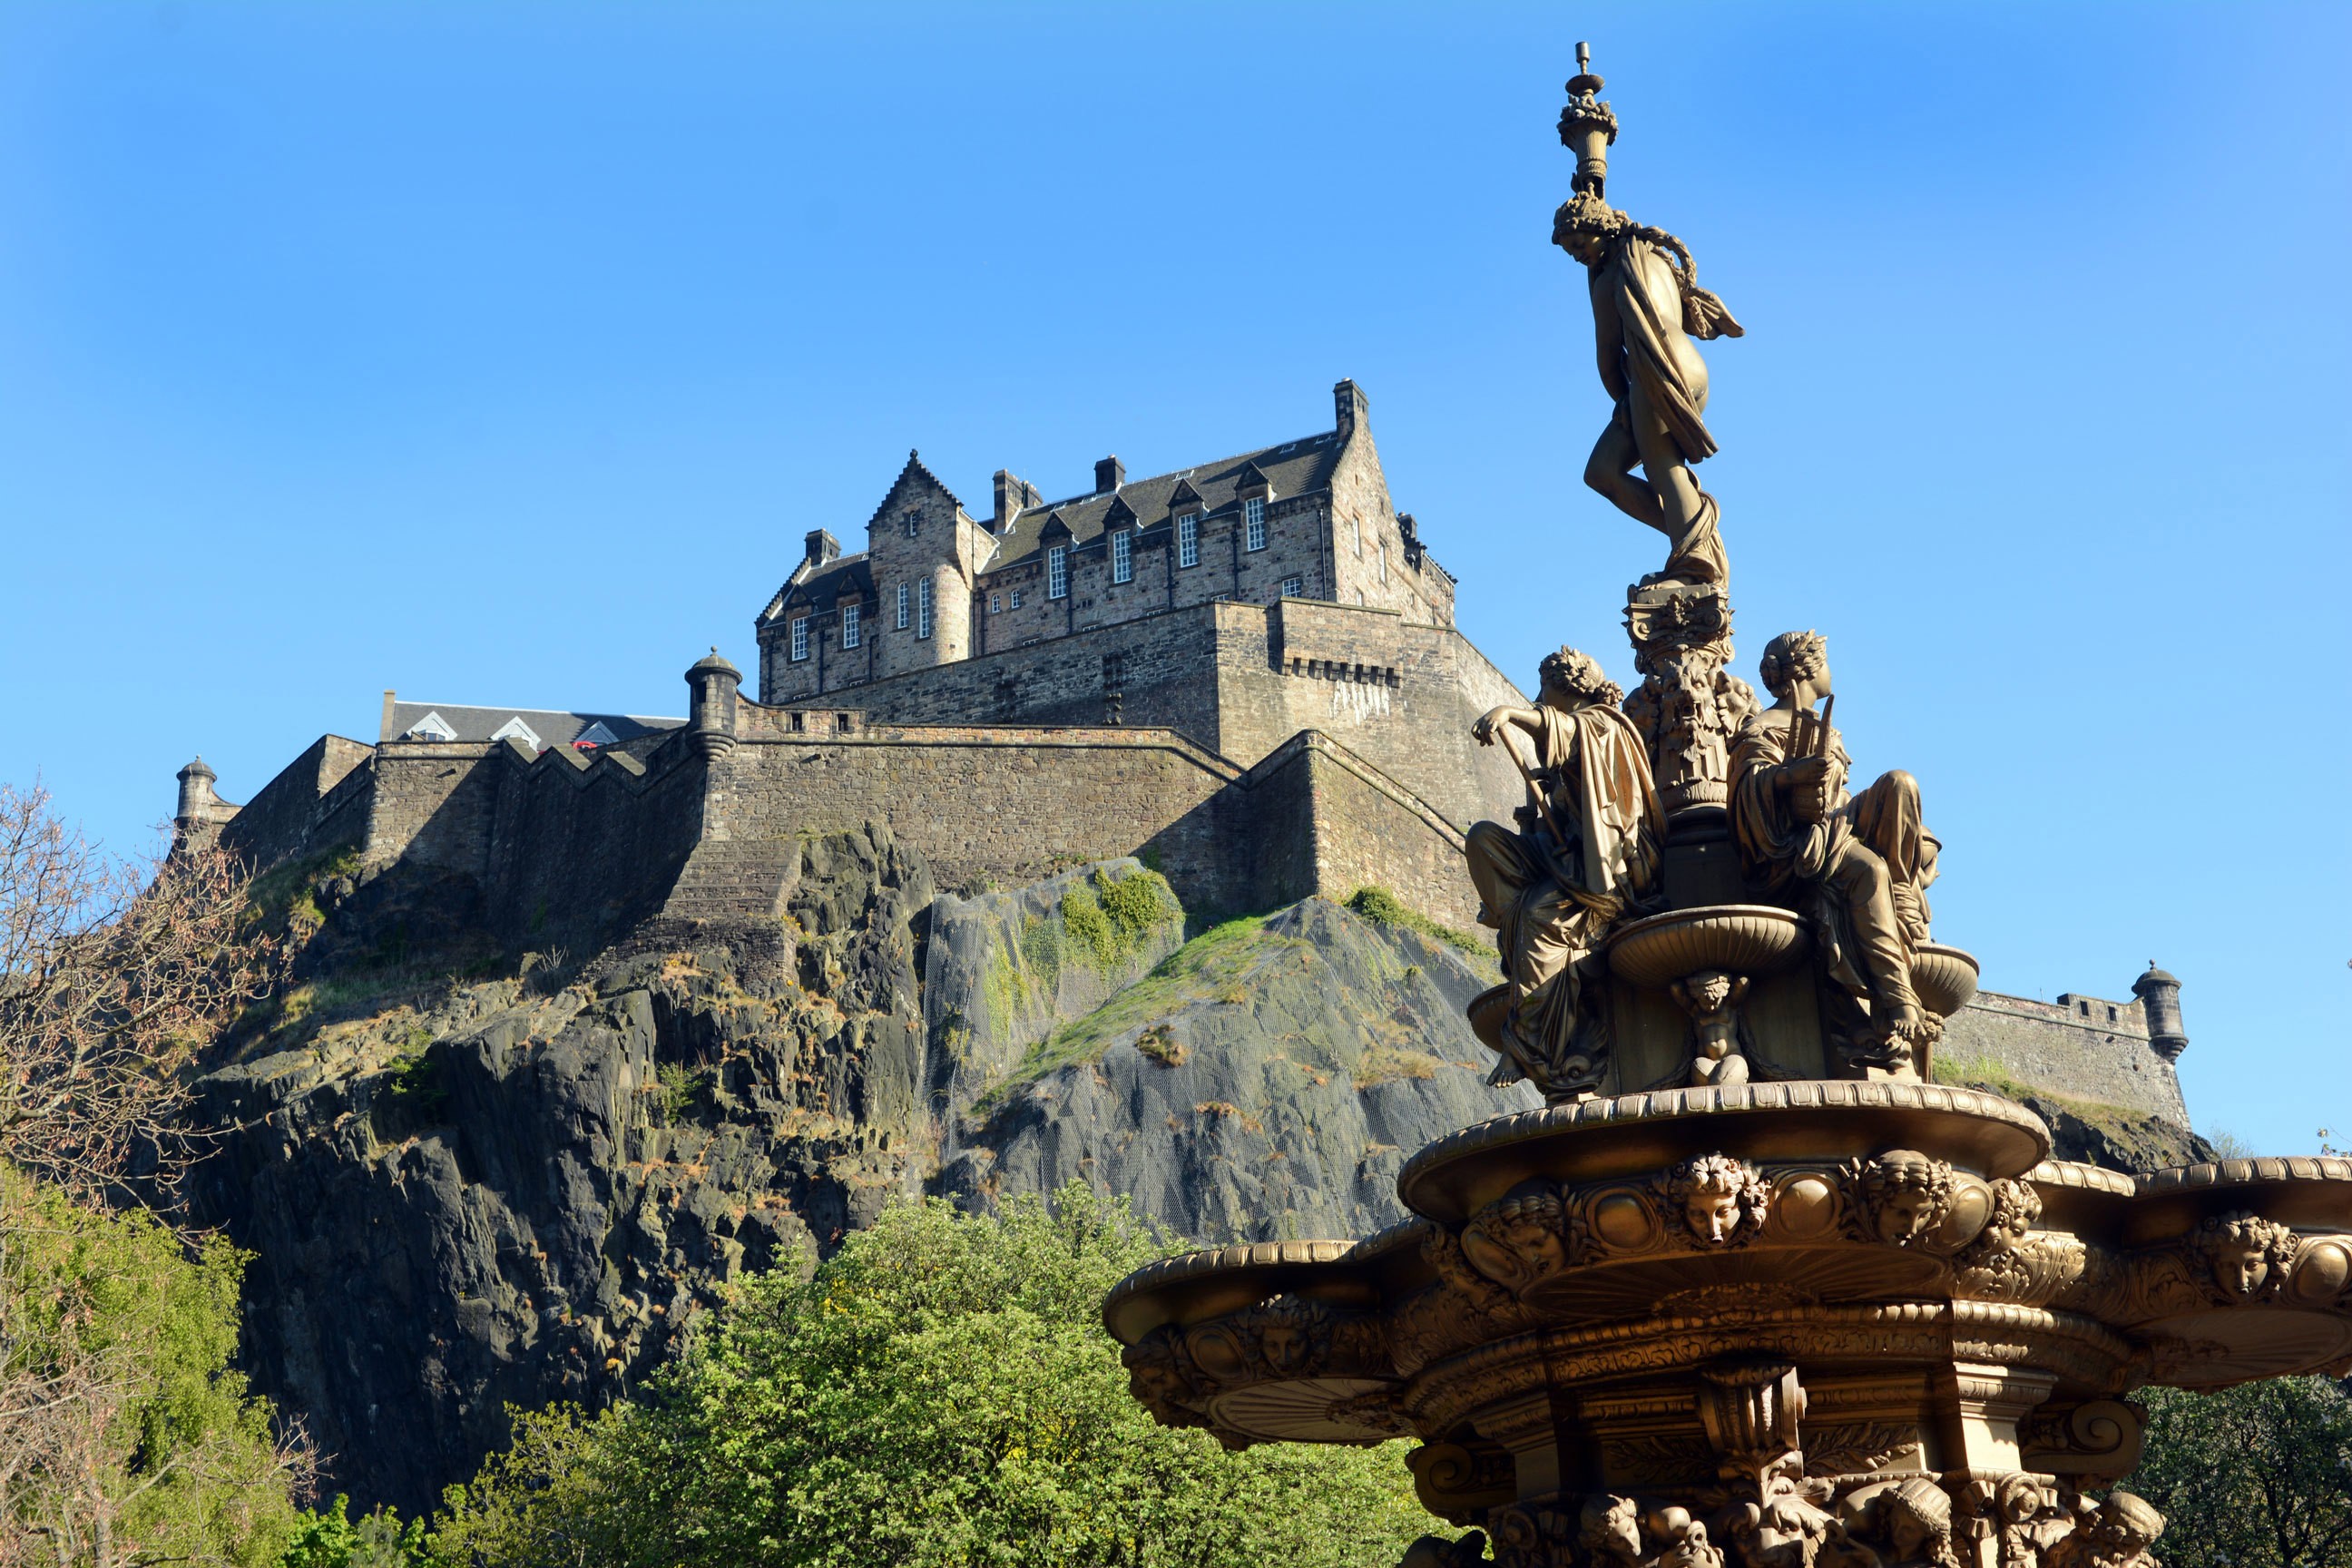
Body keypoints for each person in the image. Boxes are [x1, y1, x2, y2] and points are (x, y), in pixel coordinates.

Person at [1730, 630, 1940, 1073]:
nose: (1830, 670)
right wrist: (1790, 777)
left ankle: (1900, 892)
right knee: (1868, 871)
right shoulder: (1760, 728)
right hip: (1797, 845)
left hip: (1837, 822)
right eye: (1824, 660)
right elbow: (1747, 793)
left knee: (1901, 784)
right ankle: (1897, 997)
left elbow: (1839, 797)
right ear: (1805, 669)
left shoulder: (1828, 727)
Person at [1465, 647, 1664, 1099]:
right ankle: (1515, 917)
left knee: (1539, 916)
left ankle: (1528, 1044)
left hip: (1607, 874)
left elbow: (1569, 730)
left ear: (1568, 686)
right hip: (1567, 858)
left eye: (1544, 689)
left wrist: (1511, 713)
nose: (1538, 697)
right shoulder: (1567, 743)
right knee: (1483, 840)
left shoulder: (1604, 725)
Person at [1554, 190, 1744, 586]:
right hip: (1692, 368)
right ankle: (1693, 540)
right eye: (1569, 251)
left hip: (1655, 369)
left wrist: (1622, 398)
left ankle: (1695, 564)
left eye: (1578, 244)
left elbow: (1607, 356)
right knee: (1603, 471)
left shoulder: (1612, 275)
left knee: (1662, 468)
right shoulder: (1651, 256)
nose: (1576, 256)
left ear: (1599, 230)